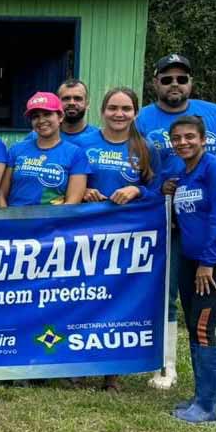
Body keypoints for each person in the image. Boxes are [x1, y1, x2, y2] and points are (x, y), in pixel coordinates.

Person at [137, 53, 216, 399]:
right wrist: (158, 188)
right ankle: (167, 367)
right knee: (169, 296)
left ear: (191, 82)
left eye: (181, 78)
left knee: (213, 300)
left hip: (210, 227)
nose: (175, 84)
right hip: (167, 223)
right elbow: (139, 168)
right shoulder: (143, 118)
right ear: (155, 82)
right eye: (167, 78)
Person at [74, 87, 160, 391]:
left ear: (135, 112)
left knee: (116, 299)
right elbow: (72, 184)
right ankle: (77, 363)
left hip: (127, 238)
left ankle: (112, 372)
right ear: (102, 111)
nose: (119, 114)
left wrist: (138, 190)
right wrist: (83, 192)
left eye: (125, 108)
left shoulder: (146, 148)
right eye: (113, 108)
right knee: (84, 295)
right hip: (88, 234)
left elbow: (160, 191)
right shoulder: (83, 145)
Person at [164, 116, 216, 424]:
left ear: (203, 140)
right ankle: (202, 396)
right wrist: (164, 190)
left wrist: (208, 263)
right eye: (178, 139)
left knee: (202, 327)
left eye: (189, 137)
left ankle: (209, 407)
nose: (183, 142)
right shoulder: (182, 175)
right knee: (195, 325)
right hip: (190, 260)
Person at [0, 92, 89, 206]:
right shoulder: (16, 150)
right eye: (36, 116)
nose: (41, 120)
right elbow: (2, 194)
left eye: (47, 114)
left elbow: (72, 203)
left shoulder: (76, 154)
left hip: (53, 222)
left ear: (60, 116)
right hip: (16, 221)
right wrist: (7, 221)